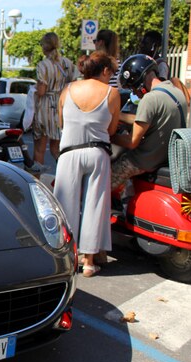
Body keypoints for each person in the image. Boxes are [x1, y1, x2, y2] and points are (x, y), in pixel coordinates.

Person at [54, 52, 120, 277]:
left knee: (64, 205)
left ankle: (67, 258)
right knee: (95, 206)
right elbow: (112, 130)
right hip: (97, 152)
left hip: (69, 153)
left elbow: (61, 123)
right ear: (104, 71)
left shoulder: (68, 90)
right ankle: (90, 262)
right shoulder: (112, 93)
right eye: (110, 72)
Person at [110, 54, 188, 192]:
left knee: (103, 182)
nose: (135, 93)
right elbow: (150, 119)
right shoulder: (176, 92)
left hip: (144, 161)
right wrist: (120, 116)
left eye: (134, 88)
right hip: (166, 157)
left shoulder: (150, 99)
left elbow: (131, 141)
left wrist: (110, 136)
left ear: (140, 81)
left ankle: (113, 211)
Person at [33, 32, 77, 165]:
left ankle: (37, 180)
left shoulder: (43, 65)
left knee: (39, 149)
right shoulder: (67, 63)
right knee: (56, 148)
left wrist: (34, 91)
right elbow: (74, 83)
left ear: (45, 46)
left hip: (45, 108)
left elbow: (41, 91)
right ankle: (66, 174)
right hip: (61, 107)